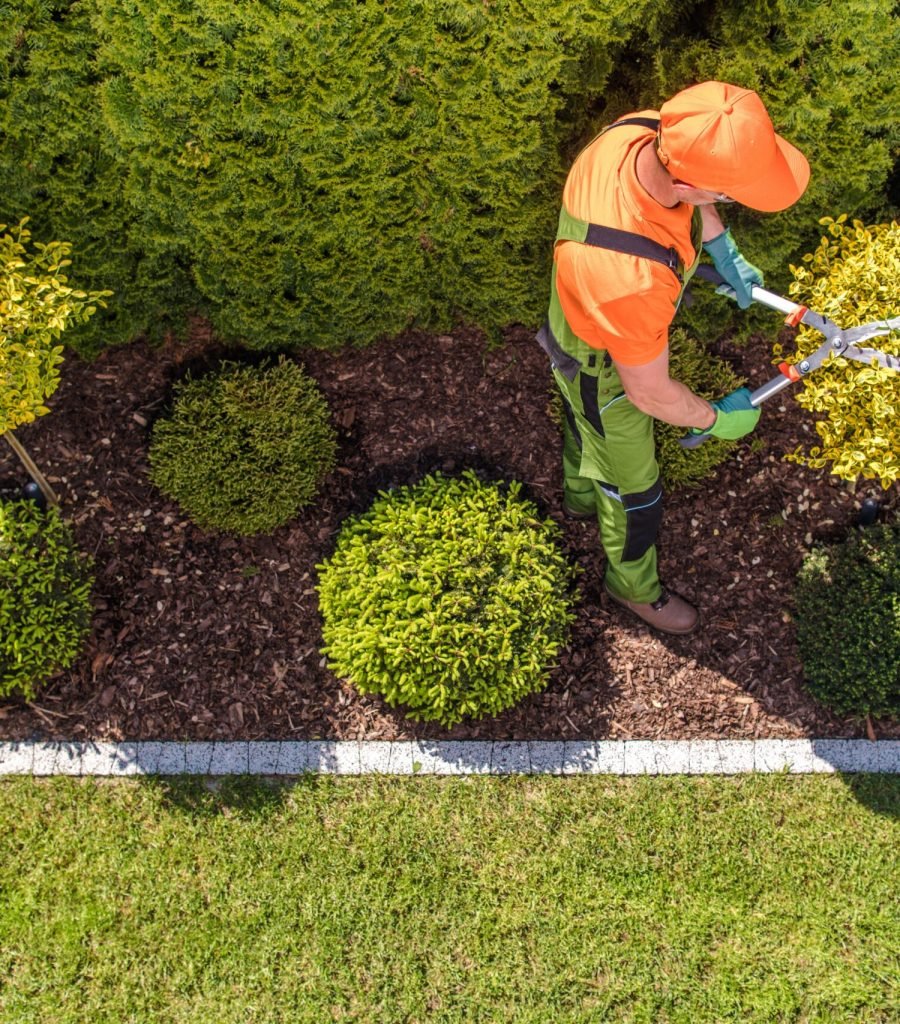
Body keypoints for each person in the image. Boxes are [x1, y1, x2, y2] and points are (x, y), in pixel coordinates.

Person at [539, 80, 810, 635]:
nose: (726, 204)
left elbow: (692, 190)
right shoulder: (631, 282)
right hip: (602, 365)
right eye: (728, 195)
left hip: (576, 312)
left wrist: (719, 244)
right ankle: (632, 587)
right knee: (633, 488)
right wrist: (719, 416)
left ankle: (576, 496)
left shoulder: (642, 131)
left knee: (579, 421)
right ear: (688, 182)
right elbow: (649, 394)